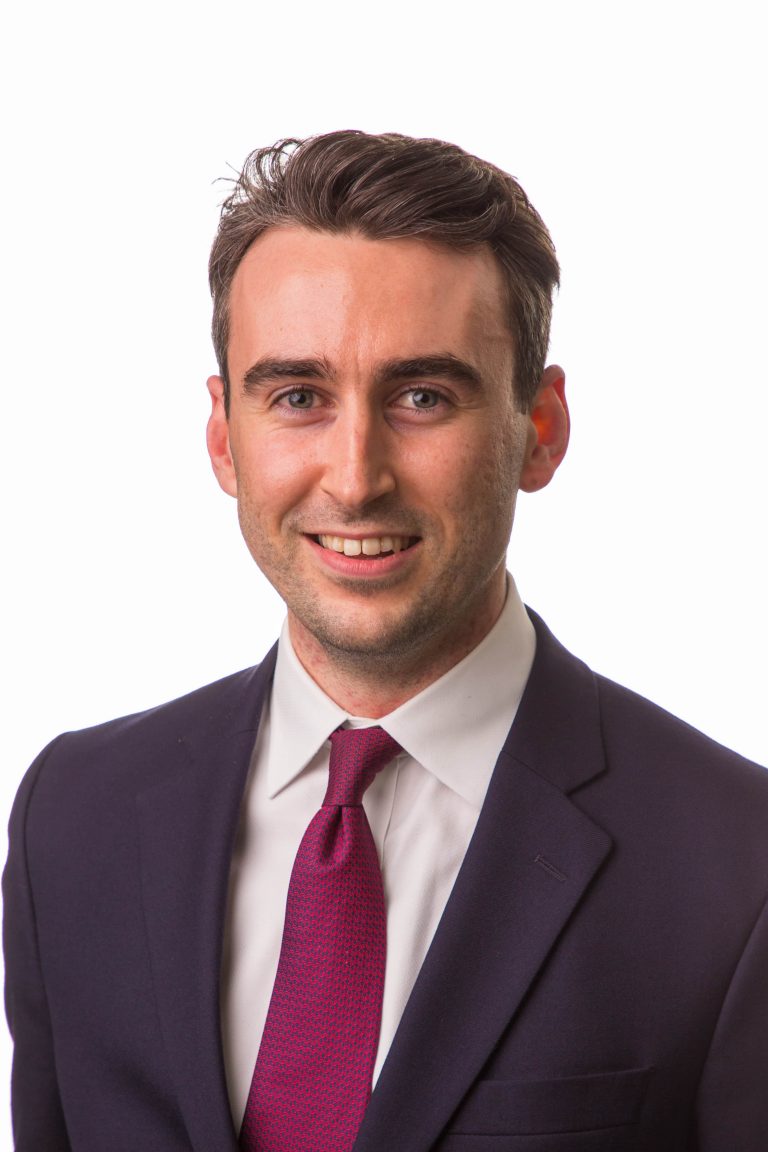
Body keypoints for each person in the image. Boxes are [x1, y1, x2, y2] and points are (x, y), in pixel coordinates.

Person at [3, 130, 768, 1152]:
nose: (356, 477)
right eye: (298, 397)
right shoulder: (72, 820)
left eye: (422, 397)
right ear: (225, 437)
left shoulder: (738, 867)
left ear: (540, 428)